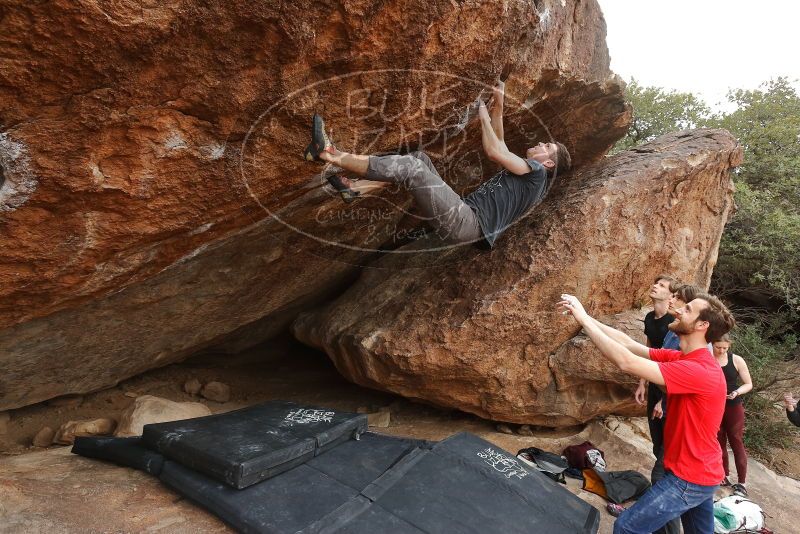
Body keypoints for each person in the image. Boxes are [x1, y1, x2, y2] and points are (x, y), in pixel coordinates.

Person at [302, 81, 572, 247]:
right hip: (465, 218)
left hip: (468, 222)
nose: (540, 144)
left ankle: (329, 153)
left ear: (548, 163)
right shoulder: (530, 179)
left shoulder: (536, 173)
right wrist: (498, 105)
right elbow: (501, 144)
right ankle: (355, 189)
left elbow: (493, 151)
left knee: (413, 170)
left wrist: (482, 115)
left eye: (546, 146)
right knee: (420, 159)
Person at [558, 292, 735, 534]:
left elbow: (626, 362)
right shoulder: (687, 358)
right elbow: (630, 346)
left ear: (702, 326)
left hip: (690, 476)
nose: (679, 310)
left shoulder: (699, 369)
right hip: (702, 474)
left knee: (627, 527)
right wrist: (585, 317)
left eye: (688, 310)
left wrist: (584, 321)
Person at [633, 275, 678, 534]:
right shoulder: (651, 318)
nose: (655, 286)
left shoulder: (673, 323)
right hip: (654, 384)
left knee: (664, 453)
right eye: (656, 283)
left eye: (662, 286)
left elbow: (673, 363)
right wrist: (642, 383)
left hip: (669, 389)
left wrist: (663, 398)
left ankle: (662, 494)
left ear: (671, 297)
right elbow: (648, 350)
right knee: (656, 442)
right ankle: (662, 492)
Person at [712, 333, 752, 497]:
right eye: (718, 347)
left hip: (733, 406)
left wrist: (736, 392)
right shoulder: (706, 357)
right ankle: (724, 475)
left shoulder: (736, 360)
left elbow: (748, 384)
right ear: (712, 344)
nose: (721, 351)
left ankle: (741, 483)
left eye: (725, 348)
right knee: (719, 440)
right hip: (714, 405)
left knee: (736, 440)